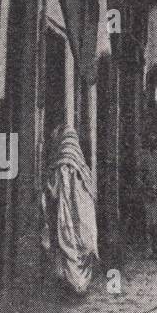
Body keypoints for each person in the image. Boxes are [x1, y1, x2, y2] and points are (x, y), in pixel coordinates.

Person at [41, 125, 101, 295]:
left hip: (67, 217)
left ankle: (72, 286)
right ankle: (81, 286)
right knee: (83, 248)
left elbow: (53, 191)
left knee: (68, 246)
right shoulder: (83, 167)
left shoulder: (62, 166)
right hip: (85, 219)